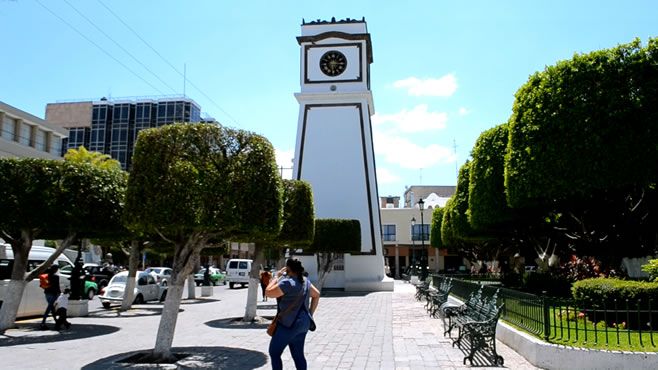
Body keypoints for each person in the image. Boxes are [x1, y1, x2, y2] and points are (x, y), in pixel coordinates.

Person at [266, 259, 320, 370]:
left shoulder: (287, 283)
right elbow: (317, 294)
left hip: (288, 324)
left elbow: (268, 292)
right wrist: (310, 313)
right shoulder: (305, 281)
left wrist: (277, 276)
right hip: (304, 323)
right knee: (298, 355)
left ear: (288, 269)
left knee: (274, 353)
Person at [40, 265, 61, 330]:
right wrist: (59, 293)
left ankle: (56, 322)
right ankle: (43, 322)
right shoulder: (56, 277)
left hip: (47, 293)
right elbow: (57, 286)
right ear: (56, 269)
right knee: (49, 308)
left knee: (51, 308)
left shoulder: (47, 275)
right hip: (53, 294)